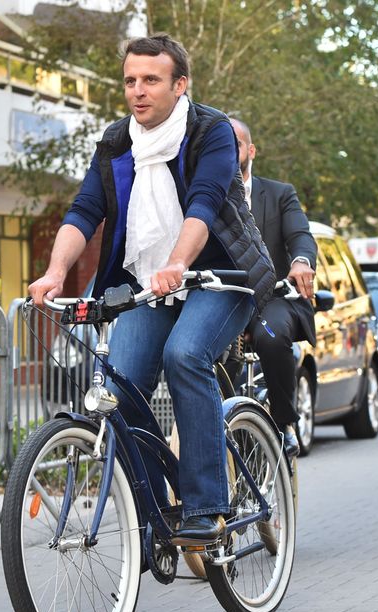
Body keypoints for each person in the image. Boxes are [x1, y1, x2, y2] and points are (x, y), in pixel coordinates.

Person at [28, 34, 275, 544]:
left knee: (186, 355)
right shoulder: (118, 140)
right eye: (130, 81)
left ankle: (207, 507)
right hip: (149, 283)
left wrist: (179, 262)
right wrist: (55, 273)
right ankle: (154, 515)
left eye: (151, 80)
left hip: (219, 277)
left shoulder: (211, 132)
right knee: (119, 393)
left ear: (179, 84)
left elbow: (204, 203)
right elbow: (84, 211)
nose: (138, 91)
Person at [230, 118, 317, 457]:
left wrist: (301, 263)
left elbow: (300, 236)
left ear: (250, 150)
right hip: (226, 297)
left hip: (274, 297)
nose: (228, 151)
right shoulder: (206, 194)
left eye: (235, 143)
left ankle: (284, 421)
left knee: (270, 336)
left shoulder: (280, 194)